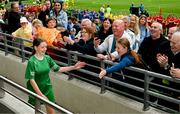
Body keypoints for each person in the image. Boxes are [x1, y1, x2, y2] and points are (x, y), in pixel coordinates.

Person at [25, 38, 86, 114]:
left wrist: (74, 67)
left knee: (51, 111)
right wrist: (40, 95)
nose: (45, 49)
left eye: (46, 47)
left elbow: (58, 69)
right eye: (42, 47)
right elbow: (31, 80)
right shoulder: (31, 61)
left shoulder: (47, 58)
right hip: (36, 89)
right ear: (35, 47)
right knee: (37, 110)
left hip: (47, 87)